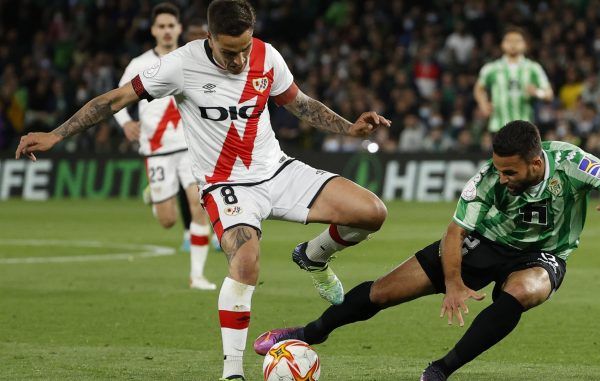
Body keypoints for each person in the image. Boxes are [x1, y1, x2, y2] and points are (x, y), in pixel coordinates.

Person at [15, 1, 390, 379]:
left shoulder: (267, 57)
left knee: (372, 212)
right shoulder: (180, 64)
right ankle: (233, 373)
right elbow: (114, 99)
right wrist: (56, 134)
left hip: (276, 170)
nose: (239, 60)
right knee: (246, 263)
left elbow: (300, 104)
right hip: (226, 185)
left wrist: (349, 128)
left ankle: (314, 256)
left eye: (245, 48)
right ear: (208, 38)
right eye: (229, 52)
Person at [253, 120, 600, 381]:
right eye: (498, 168)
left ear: (536, 163)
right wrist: (453, 283)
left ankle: (441, 370)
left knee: (524, 291)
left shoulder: (571, 162)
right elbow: (455, 231)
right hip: (483, 242)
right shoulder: (487, 178)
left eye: (510, 171)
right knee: (382, 292)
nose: (501, 177)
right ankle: (308, 333)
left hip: (543, 253)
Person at [113, 2, 216, 291]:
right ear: (153, 30)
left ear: (179, 29)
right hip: (156, 151)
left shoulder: (192, 59)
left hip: (188, 148)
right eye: (162, 26)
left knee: (199, 206)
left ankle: (197, 276)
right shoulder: (139, 64)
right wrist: (125, 124)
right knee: (168, 221)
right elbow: (117, 100)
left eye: (172, 25)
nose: (167, 31)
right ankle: (155, 196)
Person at [474, 27, 554, 133]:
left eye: (517, 41)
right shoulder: (491, 68)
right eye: (509, 41)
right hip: (498, 126)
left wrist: (538, 93)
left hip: (525, 127)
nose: (513, 44)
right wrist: (483, 104)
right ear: (502, 44)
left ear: (525, 44)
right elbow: (479, 88)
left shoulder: (533, 68)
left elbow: (549, 94)